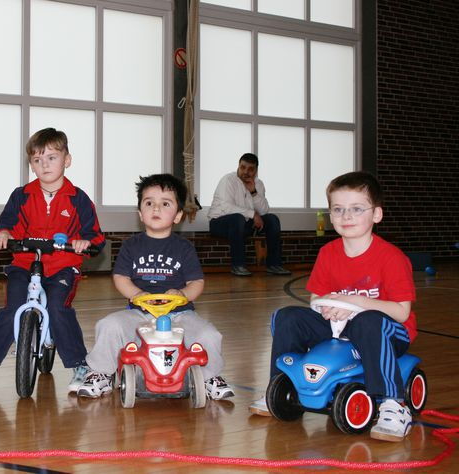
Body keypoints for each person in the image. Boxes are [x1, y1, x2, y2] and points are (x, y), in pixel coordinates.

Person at [250, 171, 417, 442]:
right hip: (339, 325)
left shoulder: (391, 258)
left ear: (376, 214)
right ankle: (282, 386)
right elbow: (317, 298)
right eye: (338, 209)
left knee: (368, 321)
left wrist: (355, 303)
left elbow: (401, 312)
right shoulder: (328, 253)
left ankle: (392, 403)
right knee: (288, 316)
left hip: (387, 329)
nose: (346, 216)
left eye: (356, 209)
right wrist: (325, 308)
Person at [0, 127, 105, 393]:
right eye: (37, 160)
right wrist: (2, 233)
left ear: (67, 160)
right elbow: (7, 224)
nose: (44, 164)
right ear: (31, 165)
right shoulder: (22, 195)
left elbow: (95, 236)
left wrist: (86, 243)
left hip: (62, 265)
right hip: (25, 263)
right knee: (12, 307)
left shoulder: (79, 199)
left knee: (59, 309)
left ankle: (79, 366)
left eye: (51, 157)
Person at [76, 174, 234, 401]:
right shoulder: (131, 245)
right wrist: (138, 294)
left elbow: (196, 282)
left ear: (178, 215)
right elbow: (120, 277)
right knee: (109, 325)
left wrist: (182, 294)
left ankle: (210, 377)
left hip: (180, 314)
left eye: (165, 203)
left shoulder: (184, 248)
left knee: (209, 335)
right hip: (138, 313)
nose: (156, 208)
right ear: (140, 213)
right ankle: (99, 372)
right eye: (149, 203)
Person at [207, 153, 291, 277]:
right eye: (243, 167)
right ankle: (238, 266)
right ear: (238, 166)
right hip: (219, 223)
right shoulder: (228, 180)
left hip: (243, 224)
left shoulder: (258, 184)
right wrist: (252, 214)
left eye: (250, 169)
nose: (246, 172)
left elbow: (264, 210)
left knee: (272, 219)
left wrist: (253, 192)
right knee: (237, 218)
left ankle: (274, 265)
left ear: (256, 171)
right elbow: (226, 207)